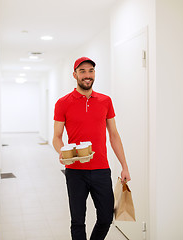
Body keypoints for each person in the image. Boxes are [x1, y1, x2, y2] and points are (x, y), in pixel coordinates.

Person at [52, 57, 131, 240]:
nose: (87, 75)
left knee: (105, 218)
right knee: (77, 221)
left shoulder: (105, 101)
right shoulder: (63, 103)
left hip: (101, 169)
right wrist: (62, 153)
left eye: (91, 71)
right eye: (82, 71)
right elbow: (56, 137)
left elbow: (114, 135)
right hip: (75, 171)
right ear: (75, 75)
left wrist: (124, 166)